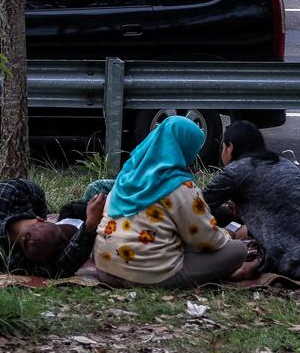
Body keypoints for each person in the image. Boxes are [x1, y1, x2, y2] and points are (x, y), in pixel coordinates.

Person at [93, 115, 251, 288]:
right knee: (237, 251)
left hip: (105, 268)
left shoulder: (127, 174)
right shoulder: (180, 186)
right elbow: (207, 240)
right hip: (150, 276)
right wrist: (228, 234)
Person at [203, 121, 300, 280]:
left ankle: (257, 264)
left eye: (222, 147)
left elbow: (198, 205)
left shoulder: (236, 171)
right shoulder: (282, 162)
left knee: (208, 212)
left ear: (230, 147)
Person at [0, 179, 106, 277]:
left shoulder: (0, 255)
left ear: (40, 220)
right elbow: (59, 268)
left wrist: (89, 227)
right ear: (40, 219)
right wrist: (89, 226)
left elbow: (36, 192)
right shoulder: (0, 255)